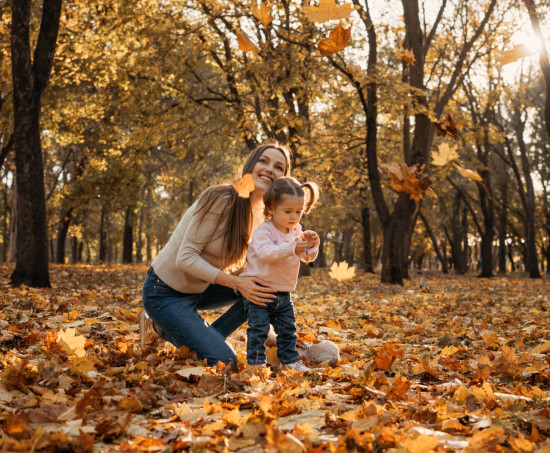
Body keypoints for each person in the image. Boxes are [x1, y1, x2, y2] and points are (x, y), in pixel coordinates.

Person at [141, 143, 292, 366]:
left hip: (201, 289)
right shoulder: (222, 199)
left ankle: (204, 338)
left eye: (278, 167)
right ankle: (160, 327)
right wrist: (237, 283)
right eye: (264, 161)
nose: (270, 169)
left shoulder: (264, 218)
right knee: (225, 361)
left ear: (283, 179)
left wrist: (301, 248)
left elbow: (255, 267)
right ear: (251, 165)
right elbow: (186, 258)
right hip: (164, 292)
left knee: (265, 286)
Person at [240, 177, 320, 371]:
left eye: (298, 212)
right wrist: (293, 246)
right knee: (258, 330)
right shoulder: (264, 231)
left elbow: (306, 258)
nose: (294, 217)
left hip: (283, 293)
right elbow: (266, 254)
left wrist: (311, 246)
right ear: (271, 209)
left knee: (288, 330)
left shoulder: (296, 230)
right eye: (288, 211)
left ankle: (289, 361)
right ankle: (256, 364)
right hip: (259, 291)